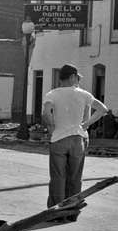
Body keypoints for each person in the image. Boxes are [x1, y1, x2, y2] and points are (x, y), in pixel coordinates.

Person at [42, 63, 108, 211]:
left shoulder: (52, 94)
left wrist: (52, 128)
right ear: (72, 77)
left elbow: (46, 113)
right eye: (77, 77)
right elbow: (103, 109)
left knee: (58, 177)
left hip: (59, 139)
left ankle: (56, 211)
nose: (78, 80)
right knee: (75, 177)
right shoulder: (83, 94)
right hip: (78, 139)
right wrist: (86, 124)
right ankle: (72, 210)